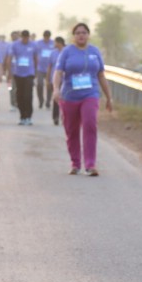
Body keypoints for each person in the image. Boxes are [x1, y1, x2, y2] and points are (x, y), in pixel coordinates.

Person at [52, 22, 113, 176]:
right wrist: (56, 89)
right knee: (72, 131)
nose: (81, 35)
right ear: (74, 36)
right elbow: (58, 73)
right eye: (78, 33)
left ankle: (91, 164)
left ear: (88, 35)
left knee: (90, 124)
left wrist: (109, 97)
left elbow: (101, 75)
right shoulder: (67, 52)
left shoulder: (95, 51)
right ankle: (75, 163)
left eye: (84, 32)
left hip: (90, 94)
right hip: (70, 96)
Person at [5, 29, 37, 125]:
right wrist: (9, 72)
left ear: (29, 37)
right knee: (19, 95)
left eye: (27, 38)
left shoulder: (33, 45)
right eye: (23, 38)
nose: (25, 40)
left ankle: (29, 117)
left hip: (29, 73)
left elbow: (36, 58)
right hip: (18, 73)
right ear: (21, 37)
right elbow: (9, 58)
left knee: (28, 95)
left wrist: (35, 71)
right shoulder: (15, 44)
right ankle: (22, 116)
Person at [34, 30, 56, 110]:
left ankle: (48, 101)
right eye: (45, 37)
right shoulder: (38, 43)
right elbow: (35, 54)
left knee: (49, 85)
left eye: (48, 37)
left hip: (50, 68)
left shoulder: (53, 43)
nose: (46, 39)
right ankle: (41, 100)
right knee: (39, 84)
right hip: (40, 68)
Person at [48, 36, 65, 125]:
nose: (54, 44)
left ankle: (64, 116)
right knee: (56, 98)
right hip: (55, 79)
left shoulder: (66, 52)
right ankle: (55, 117)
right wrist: (48, 79)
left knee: (65, 100)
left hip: (66, 80)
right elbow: (50, 66)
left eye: (55, 42)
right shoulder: (53, 53)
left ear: (59, 43)